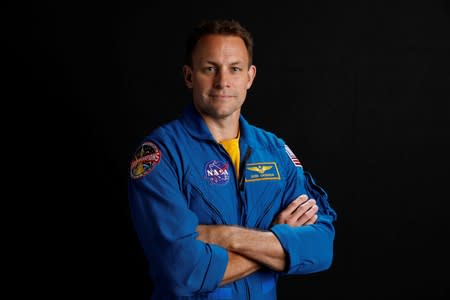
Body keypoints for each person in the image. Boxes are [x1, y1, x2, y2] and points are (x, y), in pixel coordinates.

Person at [128, 19, 337, 299]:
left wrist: (227, 237)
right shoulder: (160, 155)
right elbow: (182, 272)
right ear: (189, 76)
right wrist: (278, 239)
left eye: (234, 69)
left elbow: (321, 247)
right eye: (209, 68)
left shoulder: (274, 150)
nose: (222, 81)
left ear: (249, 77)